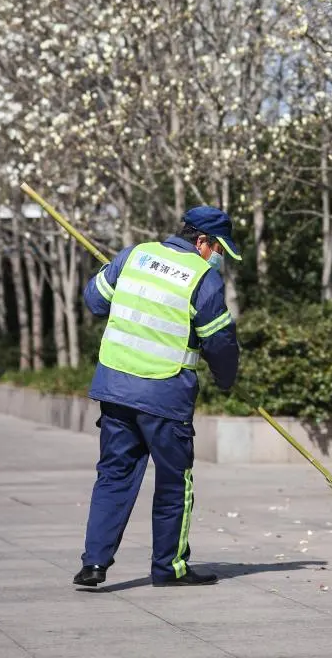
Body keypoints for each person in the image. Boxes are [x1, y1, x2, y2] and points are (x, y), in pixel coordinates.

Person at [73, 206, 240, 589]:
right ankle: (169, 568)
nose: (217, 257)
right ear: (202, 241)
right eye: (217, 249)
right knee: (174, 483)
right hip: (165, 398)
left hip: (115, 390)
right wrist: (226, 378)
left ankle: (94, 565)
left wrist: (118, 283)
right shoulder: (203, 279)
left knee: (113, 476)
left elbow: (95, 302)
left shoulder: (134, 256)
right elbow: (219, 341)